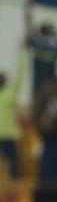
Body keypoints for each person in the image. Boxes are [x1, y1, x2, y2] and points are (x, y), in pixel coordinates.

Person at [23, 0, 57, 100]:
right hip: (39, 82)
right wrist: (28, 10)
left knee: (50, 107)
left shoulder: (53, 45)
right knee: (37, 105)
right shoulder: (37, 42)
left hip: (50, 83)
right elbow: (28, 32)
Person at [0, 47, 28, 178]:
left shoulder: (10, 91)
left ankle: (15, 187)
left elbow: (20, 76)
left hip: (9, 135)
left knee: (13, 165)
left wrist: (23, 53)